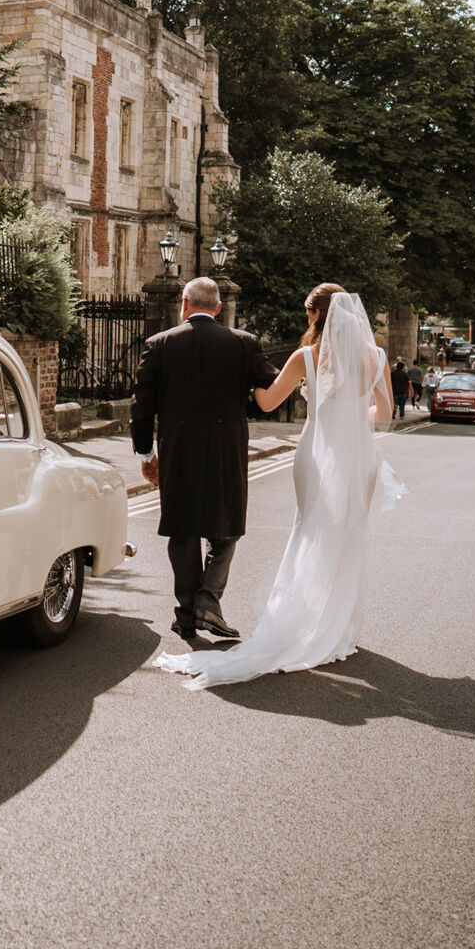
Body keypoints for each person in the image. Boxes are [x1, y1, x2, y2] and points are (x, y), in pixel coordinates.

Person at [153, 284, 405, 690]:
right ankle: (338, 628)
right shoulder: (375, 357)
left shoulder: (307, 356)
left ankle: (301, 623)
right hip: (359, 459)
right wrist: (352, 413)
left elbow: (268, 402)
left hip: (316, 454)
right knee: (347, 537)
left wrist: (254, 387)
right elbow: (385, 413)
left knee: (310, 531)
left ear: (315, 316)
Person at [130, 277, 279, 642]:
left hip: (178, 449)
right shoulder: (245, 344)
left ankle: (187, 613)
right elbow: (272, 392)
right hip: (227, 449)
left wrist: (147, 453)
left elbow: (141, 406)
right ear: (217, 308)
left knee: (183, 532)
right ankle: (208, 601)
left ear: (184, 304)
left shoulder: (158, 344)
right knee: (226, 529)